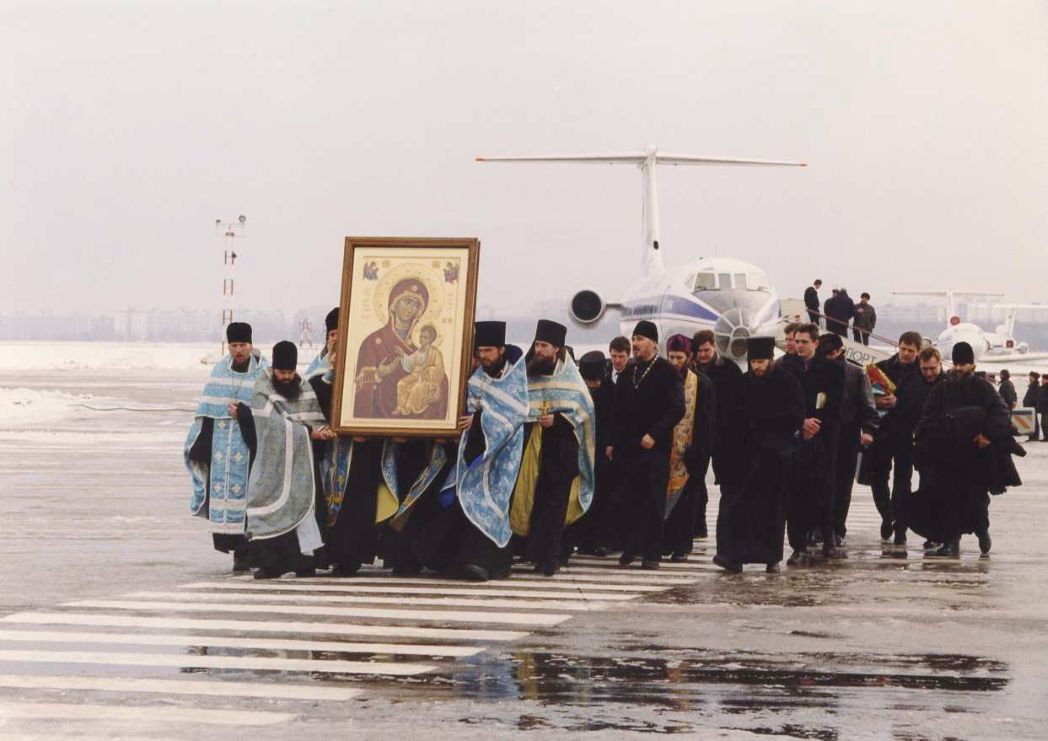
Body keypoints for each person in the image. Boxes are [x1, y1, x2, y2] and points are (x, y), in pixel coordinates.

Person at [432, 320, 529, 581]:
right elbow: (470, 407)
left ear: (501, 350)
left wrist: (479, 419)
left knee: (493, 504)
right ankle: (464, 562)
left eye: (488, 351)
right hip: (476, 450)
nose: (484, 356)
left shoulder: (515, 376)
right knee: (468, 500)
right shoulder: (477, 378)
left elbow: (517, 414)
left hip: (503, 454)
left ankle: (492, 564)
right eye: (480, 351)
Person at [910, 342, 1018, 557]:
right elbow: (928, 417)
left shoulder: (983, 388)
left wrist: (987, 435)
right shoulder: (942, 389)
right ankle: (951, 542)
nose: (959, 368)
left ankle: (982, 530)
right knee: (948, 498)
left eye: (964, 364)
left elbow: (1000, 412)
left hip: (976, 455)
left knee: (977, 500)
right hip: (948, 455)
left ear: (972, 365)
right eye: (957, 364)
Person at [511, 320, 595, 576]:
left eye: (544, 346)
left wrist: (557, 420)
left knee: (555, 507)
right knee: (533, 502)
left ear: (556, 348)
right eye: (537, 344)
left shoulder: (571, 378)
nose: (538, 350)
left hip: (560, 452)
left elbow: (584, 412)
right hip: (532, 450)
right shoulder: (529, 372)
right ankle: (533, 553)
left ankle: (552, 558)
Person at [713, 336, 804, 573]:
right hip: (746, 457)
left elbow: (795, 416)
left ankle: (771, 557)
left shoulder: (788, 383)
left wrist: (763, 422)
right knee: (739, 509)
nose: (757, 367)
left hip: (776, 456)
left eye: (761, 362)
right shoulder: (742, 383)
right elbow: (731, 418)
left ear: (770, 360)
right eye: (754, 362)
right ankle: (733, 556)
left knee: (772, 510)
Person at [243, 341, 333, 579]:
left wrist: (321, 430)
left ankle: (303, 562)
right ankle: (269, 564)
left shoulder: (303, 386)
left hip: (302, 464)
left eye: (289, 372)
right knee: (268, 508)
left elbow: (314, 416)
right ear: (274, 369)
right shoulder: (262, 389)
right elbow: (271, 426)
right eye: (281, 372)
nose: (285, 377)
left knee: (304, 509)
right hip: (271, 464)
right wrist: (308, 432)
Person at [184, 322, 266, 573]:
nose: (238, 350)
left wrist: (244, 413)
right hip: (222, 450)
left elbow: (268, 413)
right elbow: (206, 411)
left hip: (251, 448)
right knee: (225, 499)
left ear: (251, 345)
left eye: (242, 345)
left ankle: (248, 551)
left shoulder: (263, 373)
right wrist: (198, 446)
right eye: (234, 345)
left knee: (251, 500)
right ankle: (236, 550)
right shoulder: (219, 371)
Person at [609, 320, 685, 570]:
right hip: (629, 447)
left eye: (640, 339)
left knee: (653, 501)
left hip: (655, 447)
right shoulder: (629, 371)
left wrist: (655, 434)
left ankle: (652, 553)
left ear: (653, 343)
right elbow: (617, 410)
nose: (635, 344)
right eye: (633, 339)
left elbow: (677, 408)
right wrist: (612, 442)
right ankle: (631, 547)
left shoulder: (667, 371)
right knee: (630, 499)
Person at [780, 325, 844, 564]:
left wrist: (815, 425)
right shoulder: (786, 368)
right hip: (796, 436)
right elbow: (784, 402)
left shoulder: (832, 369)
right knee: (796, 492)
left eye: (804, 342)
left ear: (815, 343)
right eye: (796, 341)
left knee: (824, 489)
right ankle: (799, 545)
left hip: (824, 436)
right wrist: (800, 423)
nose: (799, 346)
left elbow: (835, 404)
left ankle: (828, 538)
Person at [353, 278, 448, 420]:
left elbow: (440, 374)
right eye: (407, 302)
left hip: (418, 421)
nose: (411, 309)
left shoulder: (422, 345)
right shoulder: (372, 342)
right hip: (379, 421)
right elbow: (359, 390)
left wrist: (439, 390)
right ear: (393, 304)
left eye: (416, 305)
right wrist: (378, 374)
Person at [859, 332, 922, 544]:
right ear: (898, 346)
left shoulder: (921, 373)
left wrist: (898, 402)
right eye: (903, 349)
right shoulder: (882, 368)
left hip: (906, 433)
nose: (905, 354)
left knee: (903, 482)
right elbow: (865, 397)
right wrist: (877, 401)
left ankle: (901, 526)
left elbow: (921, 403)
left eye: (910, 351)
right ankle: (887, 515)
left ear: (918, 351)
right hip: (882, 431)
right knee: (878, 478)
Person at [816, 333, 878, 546]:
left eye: (829, 354)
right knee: (820, 482)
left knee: (842, 484)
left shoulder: (856, 373)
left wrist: (868, 430)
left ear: (839, 351)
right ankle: (820, 526)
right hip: (822, 433)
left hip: (847, 434)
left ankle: (837, 528)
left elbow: (868, 404)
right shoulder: (817, 369)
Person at [662, 335, 715, 562]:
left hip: (691, 452)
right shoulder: (661, 380)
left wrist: (700, 451)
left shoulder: (702, 383)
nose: (675, 362)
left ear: (689, 357)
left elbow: (708, 421)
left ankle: (682, 546)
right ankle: (664, 542)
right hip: (664, 450)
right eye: (671, 357)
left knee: (687, 502)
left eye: (679, 358)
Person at [691, 329, 745, 539]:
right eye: (700, 351)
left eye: (707, 350)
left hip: (724, 434)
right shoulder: (691, 371)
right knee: (696, 480)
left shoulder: (729, 369)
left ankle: (729, 527)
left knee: (727, 481)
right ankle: (698, 524)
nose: (703, 354)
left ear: (714, 347)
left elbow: (739, 403)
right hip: (700, 433)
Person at [573, 350, 615, 556]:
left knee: (603, 495)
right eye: (588, 383)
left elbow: (615, 420)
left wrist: (611, 443)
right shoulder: (579, 391)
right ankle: (584, 539)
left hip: (604, 451)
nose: (592, 386)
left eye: (595, 382)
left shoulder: (612, 392)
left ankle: (602, 540)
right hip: (583, 449)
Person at [305, 307, 339, 378]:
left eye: (338, 334)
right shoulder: (322, 356)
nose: (335, 338)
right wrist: (329, 357)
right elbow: (308, 380)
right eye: (332, 335)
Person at [1023, 372, 1041, 441]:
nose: (1030, 378)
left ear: (1034, 378)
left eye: (1031, 377)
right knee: (1031, 422)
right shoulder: (1032, 386)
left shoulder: (1035, 386)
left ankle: (1034, 437)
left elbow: (1036, 398)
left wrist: (1034, 406)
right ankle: (1032, 436)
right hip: (1030, 407)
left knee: (1034, 422)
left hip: (1033, 407)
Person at [1039, 375, 1048, 443]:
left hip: (1046, 408)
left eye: (1044, 379)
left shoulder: (1045, 388)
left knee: (1045, 423)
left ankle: (1046, 437)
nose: (1042, 380)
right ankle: (1046, 437)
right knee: (1043, 423)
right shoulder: (1043, 387)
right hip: (1044, 408)